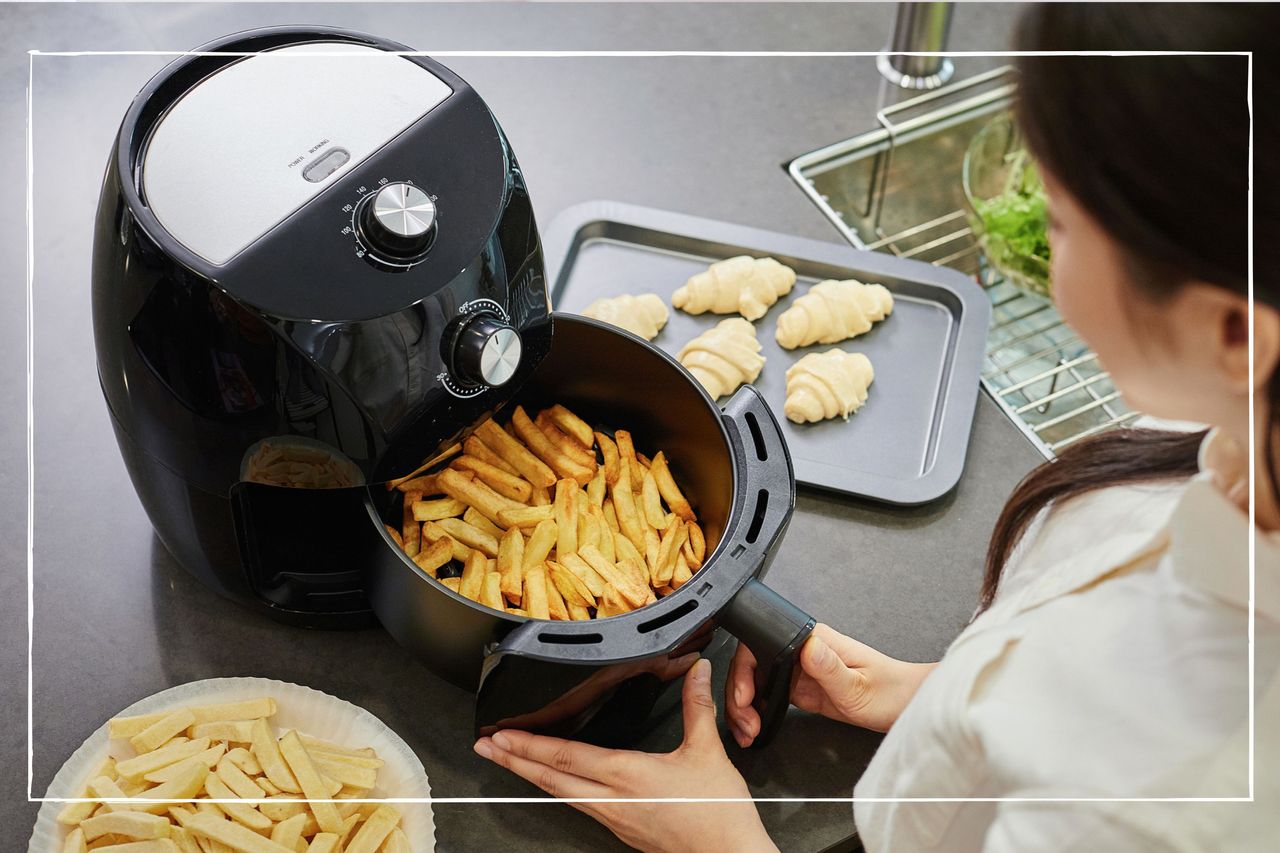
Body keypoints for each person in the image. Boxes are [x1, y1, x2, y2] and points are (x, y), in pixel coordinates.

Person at [473, 5, 1278, 850]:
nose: (1024, 238)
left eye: (1062, 221)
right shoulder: (1216, 442)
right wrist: (941, 696)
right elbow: (1117, 668)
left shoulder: (1183, 802)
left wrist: (721, 844)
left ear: (1231, 332)